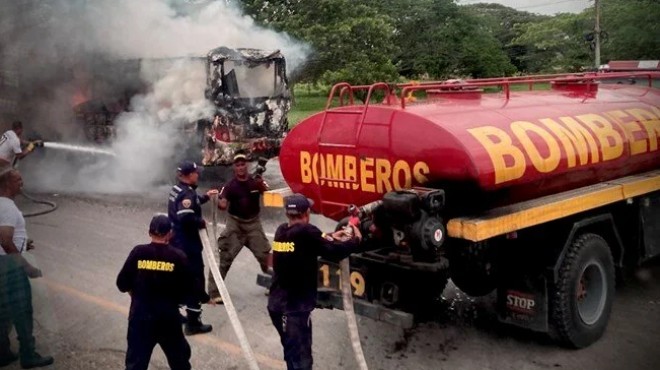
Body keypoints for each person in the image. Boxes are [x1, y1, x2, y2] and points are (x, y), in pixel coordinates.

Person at [268, 193, 362, 370]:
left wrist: (331, 235)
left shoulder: (281, 231)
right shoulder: (307, 232)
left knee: (291, 352)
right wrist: (355, 239)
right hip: (295, 309)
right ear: (306, 212)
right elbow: (335, 252)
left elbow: (310, 241)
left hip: (276, 305)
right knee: (303, 359)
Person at [116, 214, 195, 370]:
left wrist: (134, 292)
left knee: (135, 364)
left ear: (149, 232)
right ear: (170, 234)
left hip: (140, 319)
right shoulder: (178, 256)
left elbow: (121, 283)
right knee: (180, 361)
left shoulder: (138, 252)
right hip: (169, 320)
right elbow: (190, 288)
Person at [0, 167, 54, 368]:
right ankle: (28, 355)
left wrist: (22, 242)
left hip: (3, 262)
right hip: (8, 266)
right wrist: (26, 266)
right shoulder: (6, 207)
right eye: (18, 180)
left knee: (3, 311)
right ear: (7, 184)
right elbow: (5, 240)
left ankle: (3, 352)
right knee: (22, 311)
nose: (22, 183)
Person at [209, 153, 270, 304]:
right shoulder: (230, 186)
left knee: (265, 256)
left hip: (253, 223)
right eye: (238, 165)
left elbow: (268, 194)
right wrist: (216, 199)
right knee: (224, 258)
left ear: (247, 166)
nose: (241, 167)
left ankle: (275, 285)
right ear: (234, 168)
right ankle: (214, 293)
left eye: (243, 164)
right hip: (235, 224)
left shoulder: (255, 181)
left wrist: (262, 185)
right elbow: (223, 205)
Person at [167, 161, 217, 335]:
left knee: (177, 281)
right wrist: (200, 222)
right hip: (187, 245)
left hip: (176, 243)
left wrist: (205, 197)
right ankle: (193, 323)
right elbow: (185, 217)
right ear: (189, 175)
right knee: (194, 281)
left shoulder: (178, 189)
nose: (198, 175)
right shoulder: (187, 193)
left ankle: (173, 314)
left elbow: (189, 203)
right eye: (196, 173)